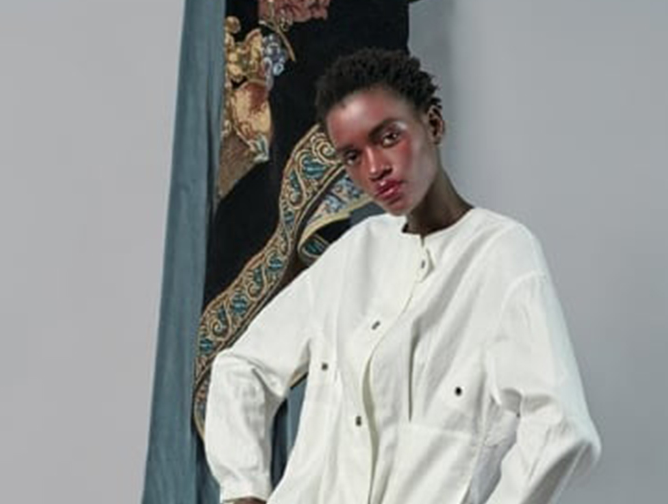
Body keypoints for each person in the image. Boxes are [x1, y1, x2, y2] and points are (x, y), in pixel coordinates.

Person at [204, 48, 601, 504]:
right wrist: (243, 490)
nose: (375, 168)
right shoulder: (354, 254)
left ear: (433, 124)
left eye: (388, 137)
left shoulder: (501, 254)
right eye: (353, 156)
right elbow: (243, 368)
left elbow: (560, 426)